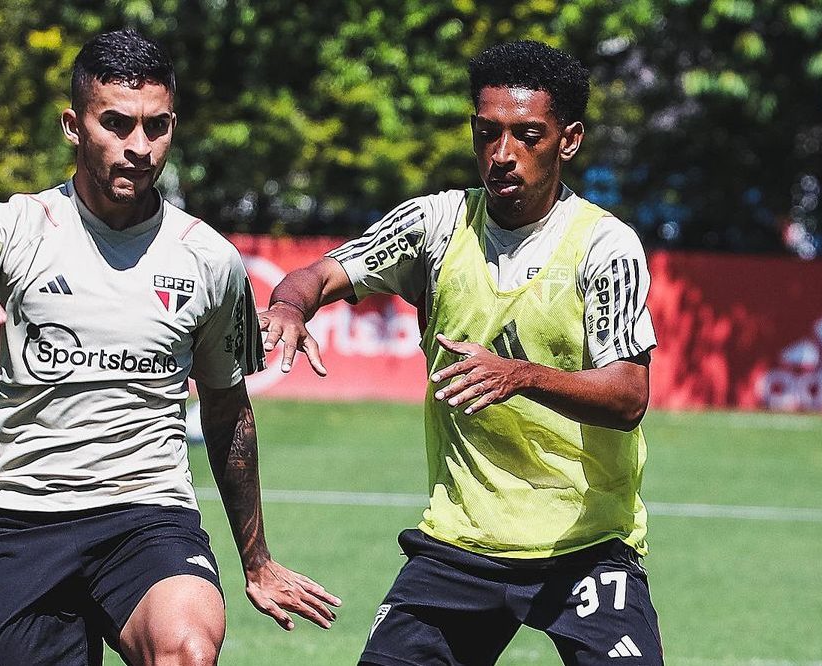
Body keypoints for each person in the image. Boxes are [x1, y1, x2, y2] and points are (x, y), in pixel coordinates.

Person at [0, 27, 339, 666]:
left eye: (157, 127)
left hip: (149, 515)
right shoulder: (14, 229)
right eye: (116, 123)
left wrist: (257, 562)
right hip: (26, 520)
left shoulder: (209, 259)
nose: (139, 147)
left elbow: (228, 412)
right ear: (73, 126)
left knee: (187, 650)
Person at [260, 40, 663, 665]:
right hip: (461, 544)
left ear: (569, 140)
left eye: (527, 135)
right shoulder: (436, 224)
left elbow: (628, 396)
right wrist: (288, 307)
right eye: (487, 133)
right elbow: (317, 276)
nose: (502, 155)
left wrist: (519, 377)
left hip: (585, 546)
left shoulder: (605, 246)